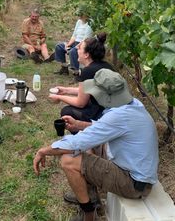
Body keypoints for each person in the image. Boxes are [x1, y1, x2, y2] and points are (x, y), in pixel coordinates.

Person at [34, 69, 159, 221]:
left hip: (134, 184)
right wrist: (79, 125)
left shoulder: (119, 116)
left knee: (69, 159)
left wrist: (44, 151)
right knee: (88, 146)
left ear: (105, 97)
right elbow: (104, 129)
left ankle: (89, 214)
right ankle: (91, 196)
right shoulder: (131, 105)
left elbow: (76, 143)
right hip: (137, 174)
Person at [49, 33, 114, 132]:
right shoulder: (106, 66)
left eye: (79, 48)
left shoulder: (88, 71)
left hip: (103, 114)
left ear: (86, 54)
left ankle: (86, 137)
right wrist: (66, 90)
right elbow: (87, 91)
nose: (76, 50)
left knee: (67, 112)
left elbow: (80, 103)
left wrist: (59, 97)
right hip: (113, 111)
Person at [54, 7, 93, 75]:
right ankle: (64, 67)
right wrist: (68, 45)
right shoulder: (79, 21)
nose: (79, 16)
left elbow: (85, 40)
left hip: (83, 44)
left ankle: (76, 73)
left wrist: (76, 47)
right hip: (75, 43)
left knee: (73, 51)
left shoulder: (90, 23)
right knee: (59, 46)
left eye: (81, 14)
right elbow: (74, 35)